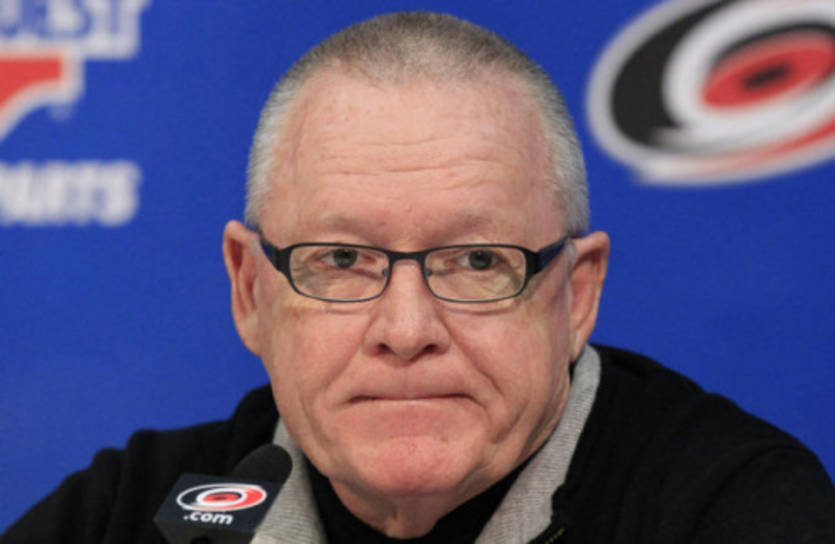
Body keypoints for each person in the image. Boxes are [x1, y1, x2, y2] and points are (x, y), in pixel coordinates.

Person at [4, 11, 834, 544]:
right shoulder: (129, 513)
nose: (406, 330)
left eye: (477, 262)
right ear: (250, 290)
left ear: (575, 295)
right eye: (340, 260)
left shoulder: (735, 511)